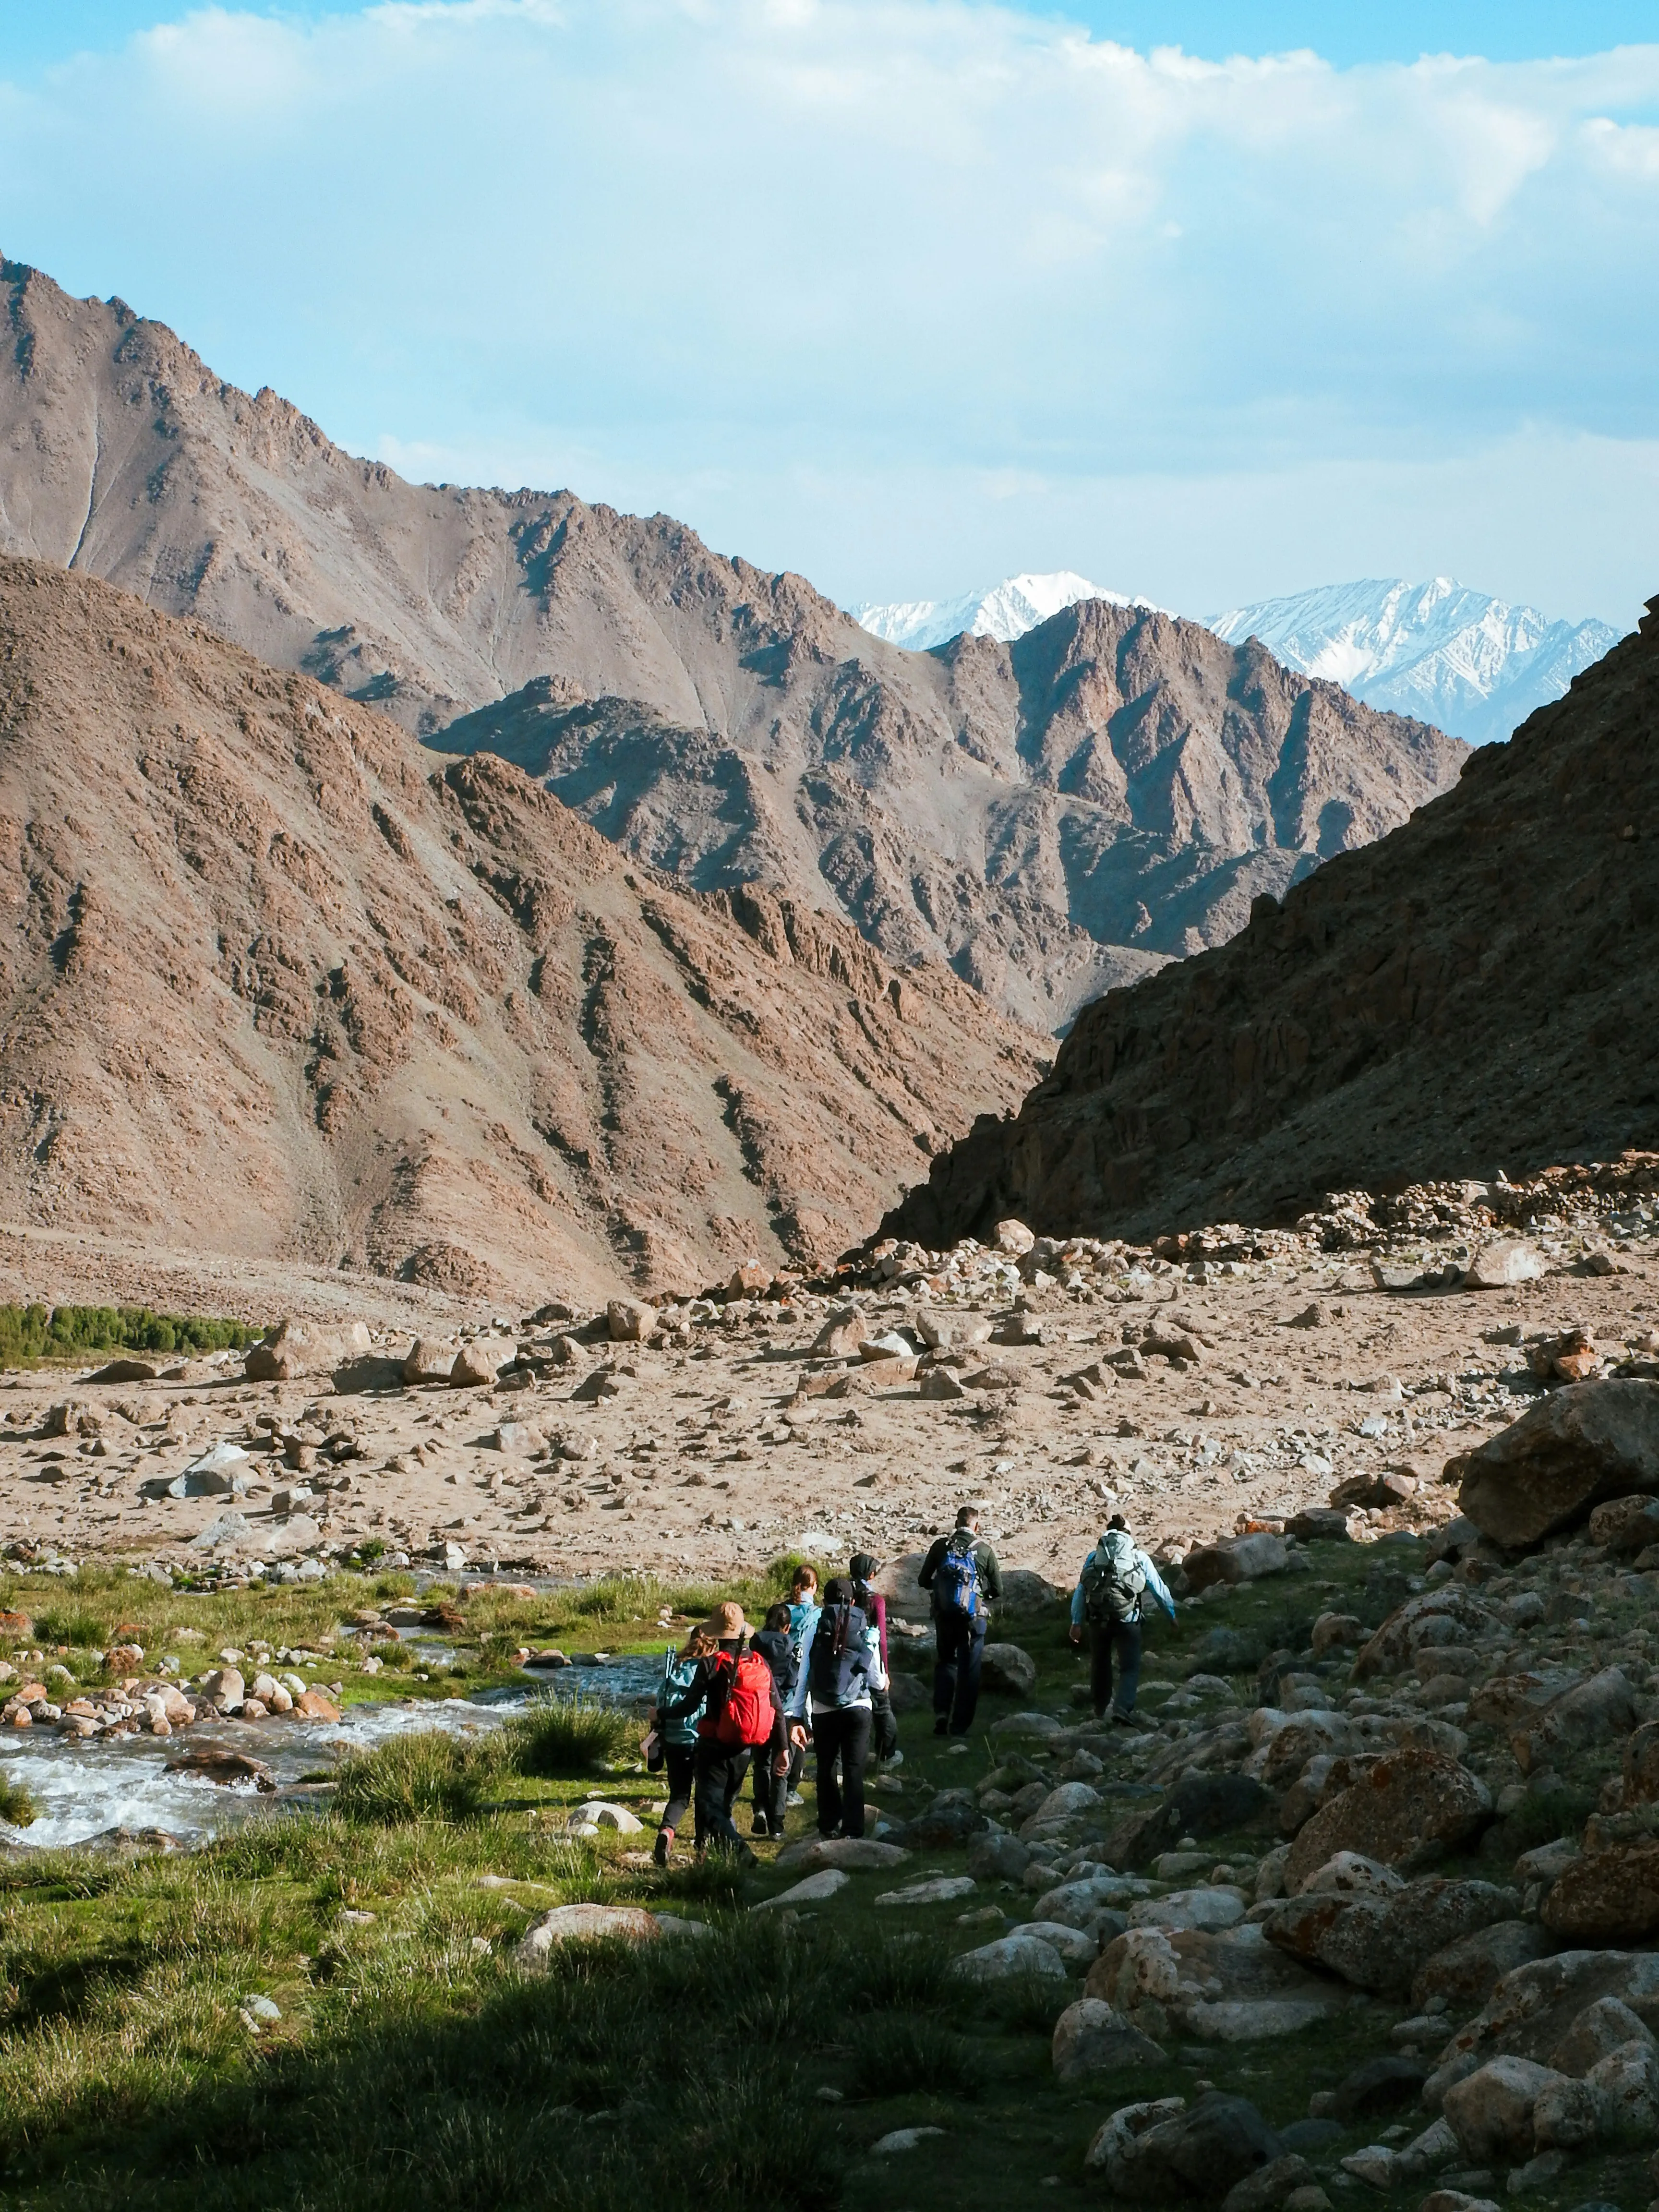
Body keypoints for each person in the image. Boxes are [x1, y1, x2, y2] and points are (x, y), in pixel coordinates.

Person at [656, 1600, 788, 1859]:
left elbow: (689, 1706)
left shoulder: (712, 1664)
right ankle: (708, 1859)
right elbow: (777, 1709)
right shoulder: (760, 1662)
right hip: (744, 1750)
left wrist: (661, 1714)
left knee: (708, 1807)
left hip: (713, 1750)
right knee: (725, 1808)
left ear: (717, 1634)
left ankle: (739, 1850)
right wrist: (783, 1749)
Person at [1068, 1513, 1177, 1722]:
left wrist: (1076, 1622)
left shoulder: (1094, 1557)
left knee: (1100, 1663)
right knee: (1130, 1666)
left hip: (1098, 1618)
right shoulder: (1138, 1556)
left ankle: (1100, 1709)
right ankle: (1122, 1707)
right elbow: (1158, 1588)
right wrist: (1171, 1615)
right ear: (1128, 1535)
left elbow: (1082, 1590)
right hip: (1128, 1618)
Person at [806, 1575, 881, 1838]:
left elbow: (806, 1669)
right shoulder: (862, 1623)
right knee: (853, 1769)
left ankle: (828, 1824)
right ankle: (853, 1829)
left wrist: (797, 1713)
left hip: (823, 1708)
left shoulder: (815, 1623)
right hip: (858, 1706)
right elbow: (876, 1678)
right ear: (852, 1600)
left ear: (824, 1601)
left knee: (826, 1767)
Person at [917, 1504, 1002, 1736]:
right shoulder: (984, 1550)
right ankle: (960, 1725)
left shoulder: (940, 1546)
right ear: (977, 1526)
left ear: (956, 1524)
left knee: (946, 1662)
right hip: (972, 1620)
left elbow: (923, 1580)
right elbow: (998, 1588)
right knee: (970, 1670)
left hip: (944, 1617)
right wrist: (981, 1595)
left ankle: (942, 1714)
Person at [647, 1624, 715, 1867]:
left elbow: (660, 1703)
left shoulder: (674, 1668)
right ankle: (702, 1847)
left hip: (673, 1740)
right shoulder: (711, 1668)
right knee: (704, 1795)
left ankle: (667, 1831)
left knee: (679, 1796)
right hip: (701, 1739)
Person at [748, 1600, 801, 1837]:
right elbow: (792, 1682)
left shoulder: (755, 1643)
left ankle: (760, 1807)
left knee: (761, 1764)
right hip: (784, 1712)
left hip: (758, 1709)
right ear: (787, 1627)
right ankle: (777, 1827)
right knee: (781, 1767)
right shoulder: (791, 1647)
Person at [849, 1550, 900, 1765]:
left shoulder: (844, 1593)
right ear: (870, 1575)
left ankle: (849, 1756)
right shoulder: (876, 1600)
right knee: (882, 1708)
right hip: (871, 1658)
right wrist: (885, 1671)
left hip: (847, 1658)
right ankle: (886, 1756)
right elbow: (882, 1639)